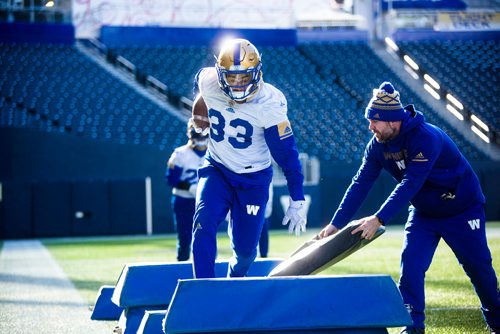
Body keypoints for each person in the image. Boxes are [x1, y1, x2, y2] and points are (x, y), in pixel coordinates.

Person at [319, 82, 499, 334]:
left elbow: (411, 182)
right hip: (424, 213)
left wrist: (379, 219)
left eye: (374, 121)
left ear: (393, 121)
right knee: (411, 265)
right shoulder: (377, 144)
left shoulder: (426, 137)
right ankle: (412, 327)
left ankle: (497, 324)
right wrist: (336, 223)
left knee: (479, 269)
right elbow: (360, 183)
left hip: (461, 209)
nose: (370, 127)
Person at [190, 38, 307, 278]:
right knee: (203, 223)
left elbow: (287, 155)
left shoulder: (269, 103)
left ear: (257, 73)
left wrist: (297, 197)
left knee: (245, 252)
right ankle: (203, 293)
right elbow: (200, 83)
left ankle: (234, 281)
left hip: (253, 179)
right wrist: (199, 107)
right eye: (231, 77)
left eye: (244, 77)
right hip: (218, 169)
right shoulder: (209, 81)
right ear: (221, 74)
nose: (237, 84)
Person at [165, 120, 208, 261]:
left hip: (204, 201)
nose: (201, 141)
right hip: (183, 200)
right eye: (197, 137)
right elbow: (171, 179)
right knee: (185, 238)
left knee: (205, 236)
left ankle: (207, 268)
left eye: (203, 137)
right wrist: (189, 187)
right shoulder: (180, 154)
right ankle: (182, 265)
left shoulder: (213, 153)